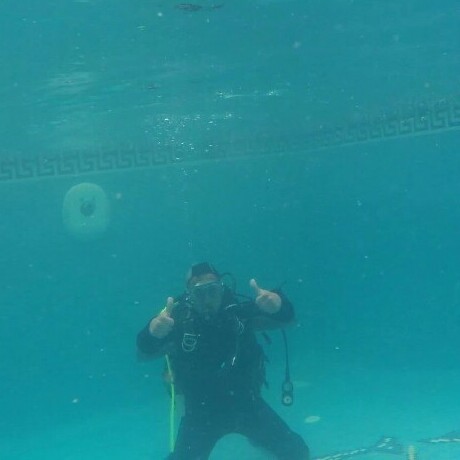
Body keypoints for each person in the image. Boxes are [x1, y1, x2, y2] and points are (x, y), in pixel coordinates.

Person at [137, 262, 310, 460]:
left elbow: (287, 318)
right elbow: (144, 349)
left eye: (212, 290)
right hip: (200, 413)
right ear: (189, 296)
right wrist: (152, 333)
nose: (207, 299)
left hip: (247, 403)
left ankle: (260, 441)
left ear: (222, 288)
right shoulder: (178, 323)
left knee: (297, 452)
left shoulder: (237, 314)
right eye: (199, 293)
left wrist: (278, 305)